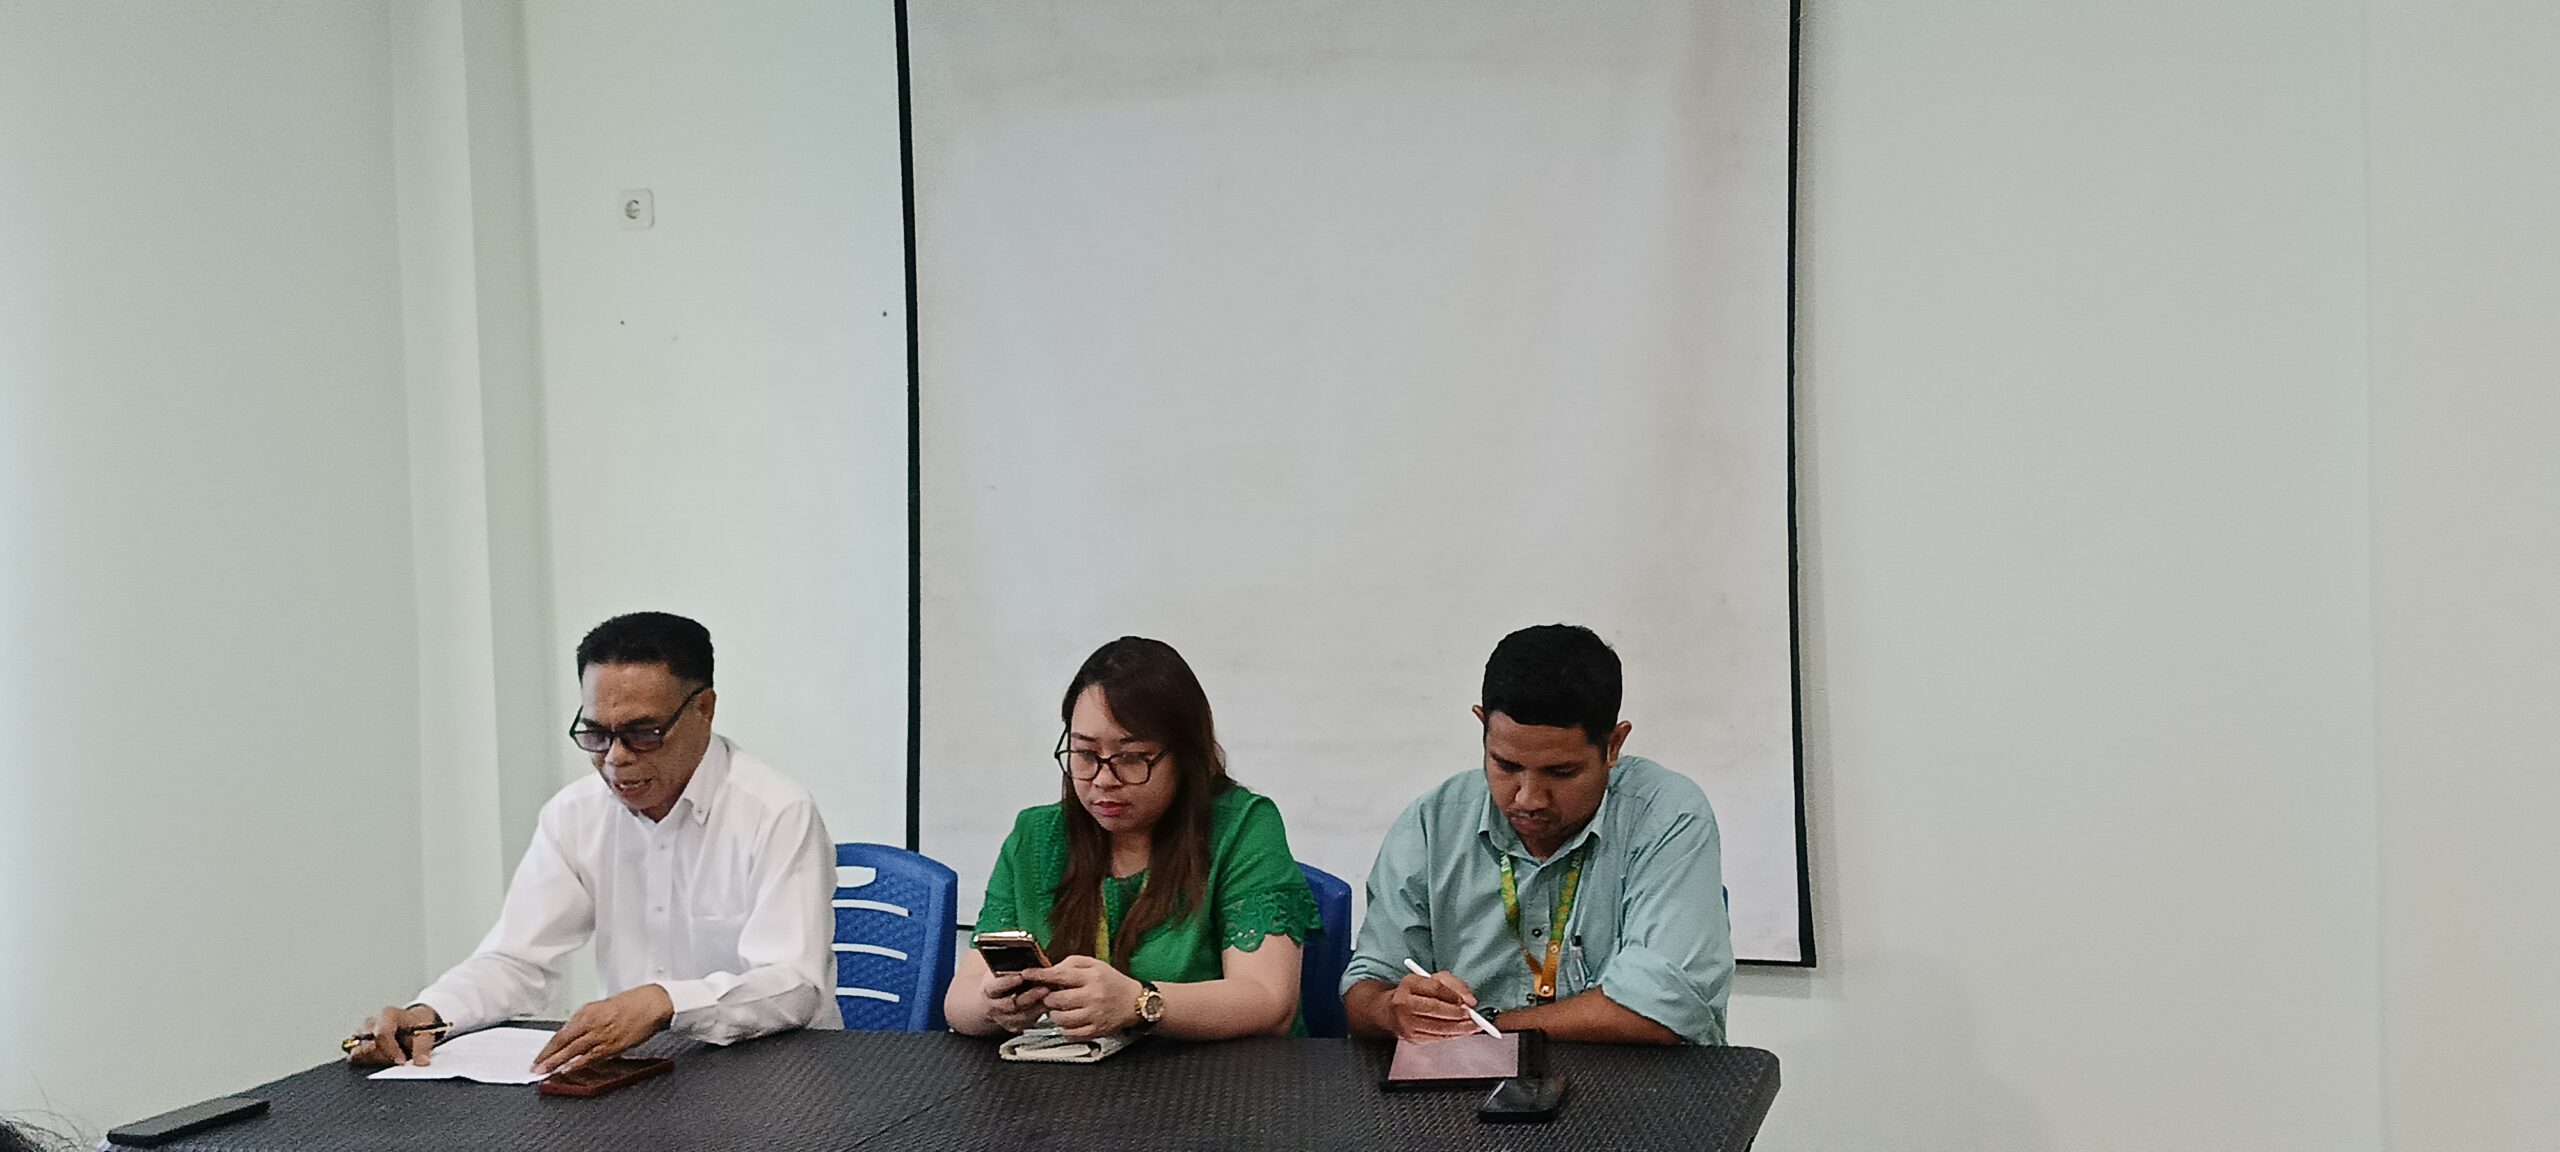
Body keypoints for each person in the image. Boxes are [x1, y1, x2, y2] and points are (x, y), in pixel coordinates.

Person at [347, 612, 839, 1075]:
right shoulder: (575, 814)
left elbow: (794, 985)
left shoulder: (776, 810)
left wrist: (666, 1002)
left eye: (643, 733)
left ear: (704, 710)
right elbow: (516, 960)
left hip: (782, 1077)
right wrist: (430, 1013)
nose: (615, 759)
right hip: (640, 1077)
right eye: (597, 734)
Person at [1342, 624, 1733, 1045]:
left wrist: (1484, 1027)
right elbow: (1368, 984)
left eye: (1561, 772)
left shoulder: (1667, 815)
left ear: (1614, 745)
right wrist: (1392, 1010)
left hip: (1637, 1079)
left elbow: (1661, 1009)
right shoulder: (1433, 821)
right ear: (1482, 727)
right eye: (1506, 765)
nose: (1528, 799)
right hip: (1466, 1079)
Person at [944, 637, 1316, 1040]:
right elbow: (958, 1002)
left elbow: (1268, 1000)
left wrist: (1140, 1003)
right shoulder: (1035, 837)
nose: (1104, 779)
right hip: (1071, 1074)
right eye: (1085, 754)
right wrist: (993, 1005)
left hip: (1216, 1074)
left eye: (1132, 758)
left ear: (1185, 757)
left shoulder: (1242, 826)